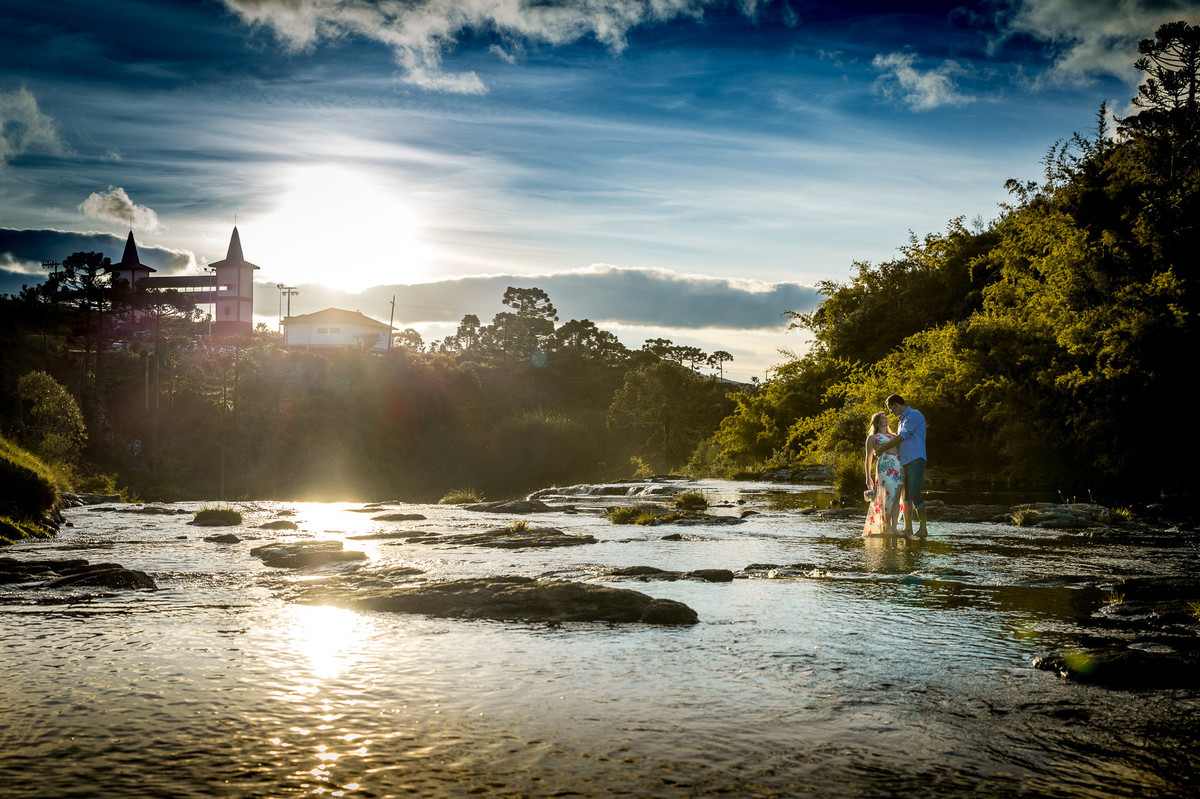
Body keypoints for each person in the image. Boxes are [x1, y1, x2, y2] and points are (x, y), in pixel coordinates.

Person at [873, 394, 928, 537]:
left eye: (891, 409)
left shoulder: (914, 415)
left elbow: (901, 437)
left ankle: (923, 528)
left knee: (915, 493)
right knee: (907, 496)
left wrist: (882, 449)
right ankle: (908, 528)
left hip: (915, 458)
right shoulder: (901, 421)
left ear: (896, 405)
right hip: (904, 461)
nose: (891, 412)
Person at [862, 411, 905, 537]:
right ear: (877, 422)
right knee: (888, 497)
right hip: (885, 467)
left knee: (897, 497)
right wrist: (867, 476)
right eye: (882, 418)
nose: (886, 419)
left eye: (886, 417)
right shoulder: (872, 438)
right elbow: (868, 458)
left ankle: (894, 527)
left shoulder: (894, 436)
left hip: (898, 465)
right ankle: (887, 527)